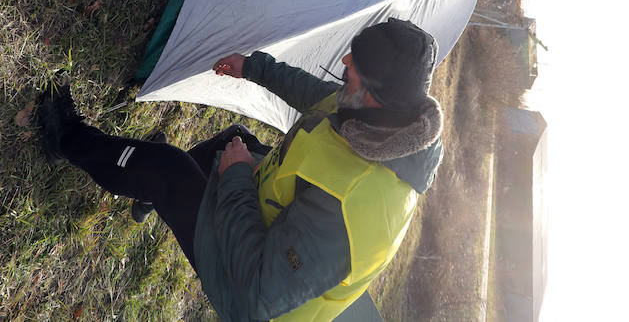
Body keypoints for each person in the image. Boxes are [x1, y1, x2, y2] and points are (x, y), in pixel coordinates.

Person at [38, 18, 443, 321]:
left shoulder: (353, 212)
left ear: (374, 96)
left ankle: (67, 141)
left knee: (168, 169)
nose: (344, 61)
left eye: (352, 69)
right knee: (232, 140)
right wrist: (253, 68)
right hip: (271, 221)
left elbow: (256, 292)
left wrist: (236, 178)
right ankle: (146, 192)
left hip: (251, 291)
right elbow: (314, 95)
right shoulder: (378, 113)